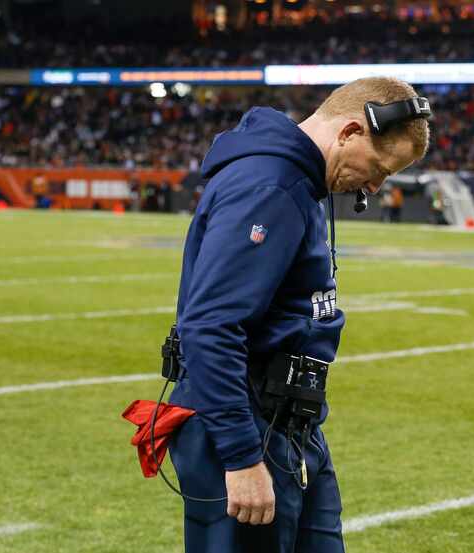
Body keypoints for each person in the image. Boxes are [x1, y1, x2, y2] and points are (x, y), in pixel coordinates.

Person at [167, 77, 430, 553]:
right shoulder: (270, 185)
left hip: (288, 424)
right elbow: (210, 325)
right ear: (350, 132)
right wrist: (242, 456)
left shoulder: (299, 183)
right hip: (249, 423)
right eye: (379, 168)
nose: (374, 185)